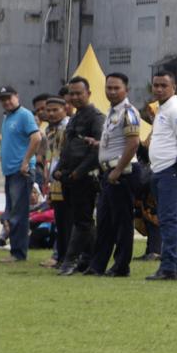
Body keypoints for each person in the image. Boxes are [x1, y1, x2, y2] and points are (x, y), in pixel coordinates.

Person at [87, 72, 140, 277]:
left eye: (116, 88)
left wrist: (117, 170)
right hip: (110, 172)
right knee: (104, 221)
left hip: (122, 173)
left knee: (122, 222)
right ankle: (97, 265)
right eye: (109, 88)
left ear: (126, 90)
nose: (112, 91)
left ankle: (121, 266)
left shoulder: (128, 112)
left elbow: (133, 143)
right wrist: (99, 144)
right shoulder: (112, 112)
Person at [145, 71, 177, 281]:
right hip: (160, 171)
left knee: (168, 220)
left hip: (171, 171)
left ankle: (169, 267)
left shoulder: (175, 109)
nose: (159, 89)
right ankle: (172, 267)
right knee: (166, 220)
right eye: (155, 85)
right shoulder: (162, 109)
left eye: (164, 85)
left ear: (174, 87)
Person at [55, 77, 104, 275]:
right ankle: (88, 258)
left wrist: (79, 172)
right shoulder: (74, 117)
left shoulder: (96, 117)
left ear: (88, 93)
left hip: (86, 176)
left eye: (78, 93)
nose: (74, 97)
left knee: (82, 221)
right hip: (69, 176)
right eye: (72, 94)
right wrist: (59, 169)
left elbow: (98, 150)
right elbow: (67, 148)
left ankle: (70, 260)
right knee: (80, 219)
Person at [0, 86, 42, 263]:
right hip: (11, 171)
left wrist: (25, 162)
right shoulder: (8, 117)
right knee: (12, 212)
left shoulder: (24, 115)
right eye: (3, 99)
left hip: (20, 171)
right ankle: (15, 251)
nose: (7, 102)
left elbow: (36, 137)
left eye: (9, 98)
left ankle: (18, 253)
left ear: (17, 96)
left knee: (18, 214)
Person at [38, 97, 68, 268]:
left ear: (65, 109)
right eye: (48, 110)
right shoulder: (49, 129)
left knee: (68, 220)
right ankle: (60, 256)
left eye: (55, 110)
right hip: (54, 179)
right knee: (59, 219)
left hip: (66, 177)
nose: (51, 113)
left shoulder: (68, 127)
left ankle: (63, 256)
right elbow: (52, 155)